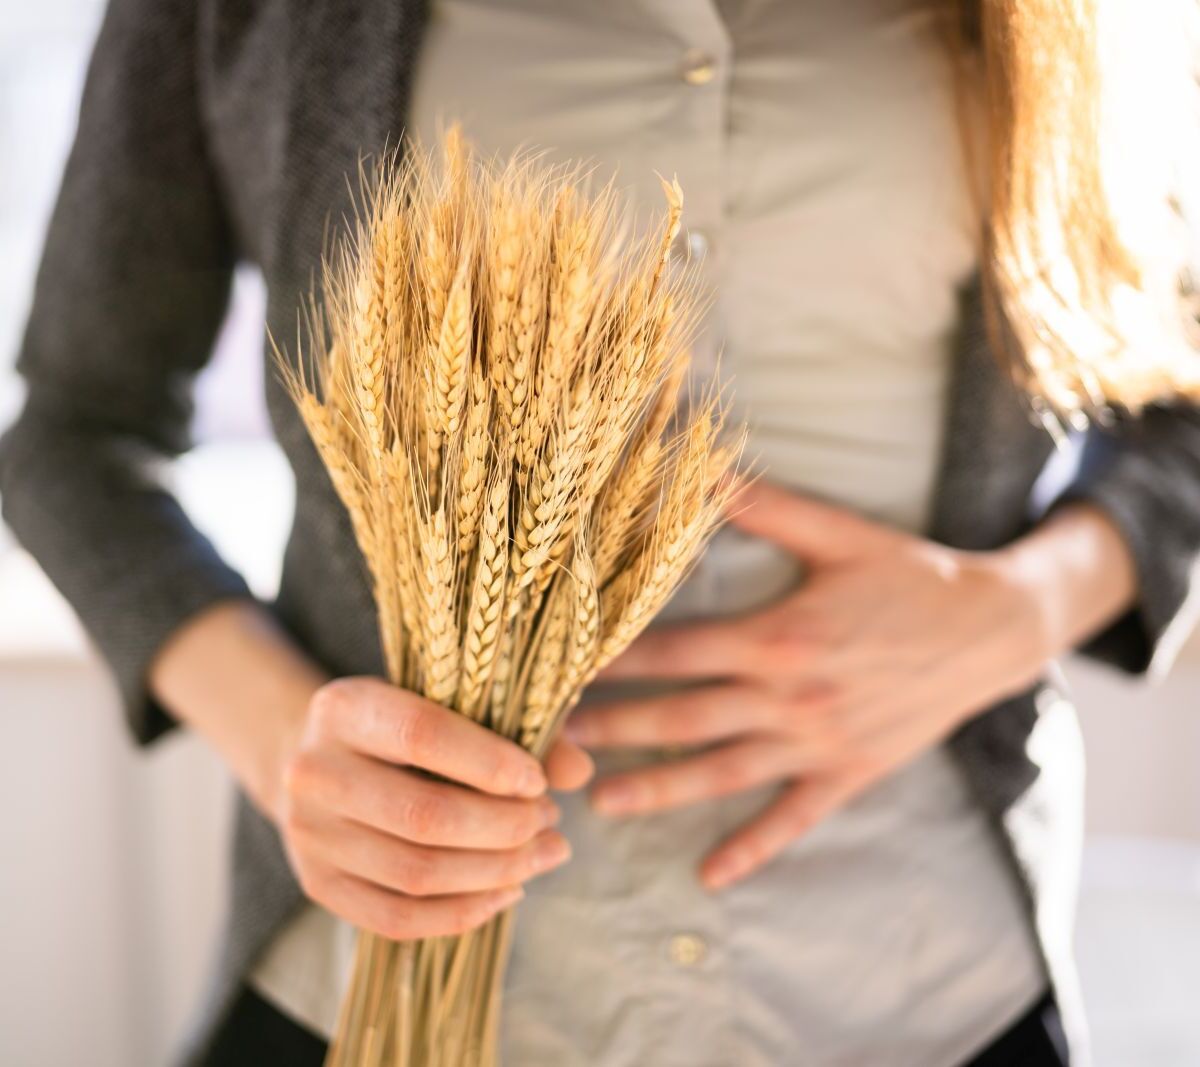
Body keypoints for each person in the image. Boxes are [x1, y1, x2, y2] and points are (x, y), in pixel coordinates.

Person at [3, 0, 1198, 1064]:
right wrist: (287, 745)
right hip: (384, 994)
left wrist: (1030, 599)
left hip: (924, 984)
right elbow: (73, 433)